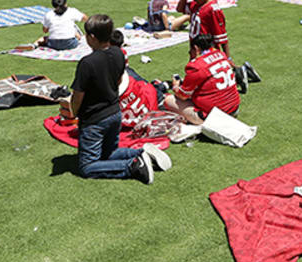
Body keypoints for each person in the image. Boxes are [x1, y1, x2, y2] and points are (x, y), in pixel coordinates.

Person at [68, 14, 163, 183]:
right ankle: (142, 153)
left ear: (92, 37)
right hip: (114, 112)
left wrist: (74, 112)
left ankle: (133, 165)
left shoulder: (87, 63)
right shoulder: (119, 53)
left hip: (94, 118)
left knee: (87, 166)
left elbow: (78, 96)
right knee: (108, 153)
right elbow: (119, 81)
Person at [160, 33, 240, 124]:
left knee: (169, 100)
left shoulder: (196, 66)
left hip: (212, 116)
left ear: (196, 48)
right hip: (233, 109)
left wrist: (175, 85)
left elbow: (182, 95)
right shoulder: (221, 55)